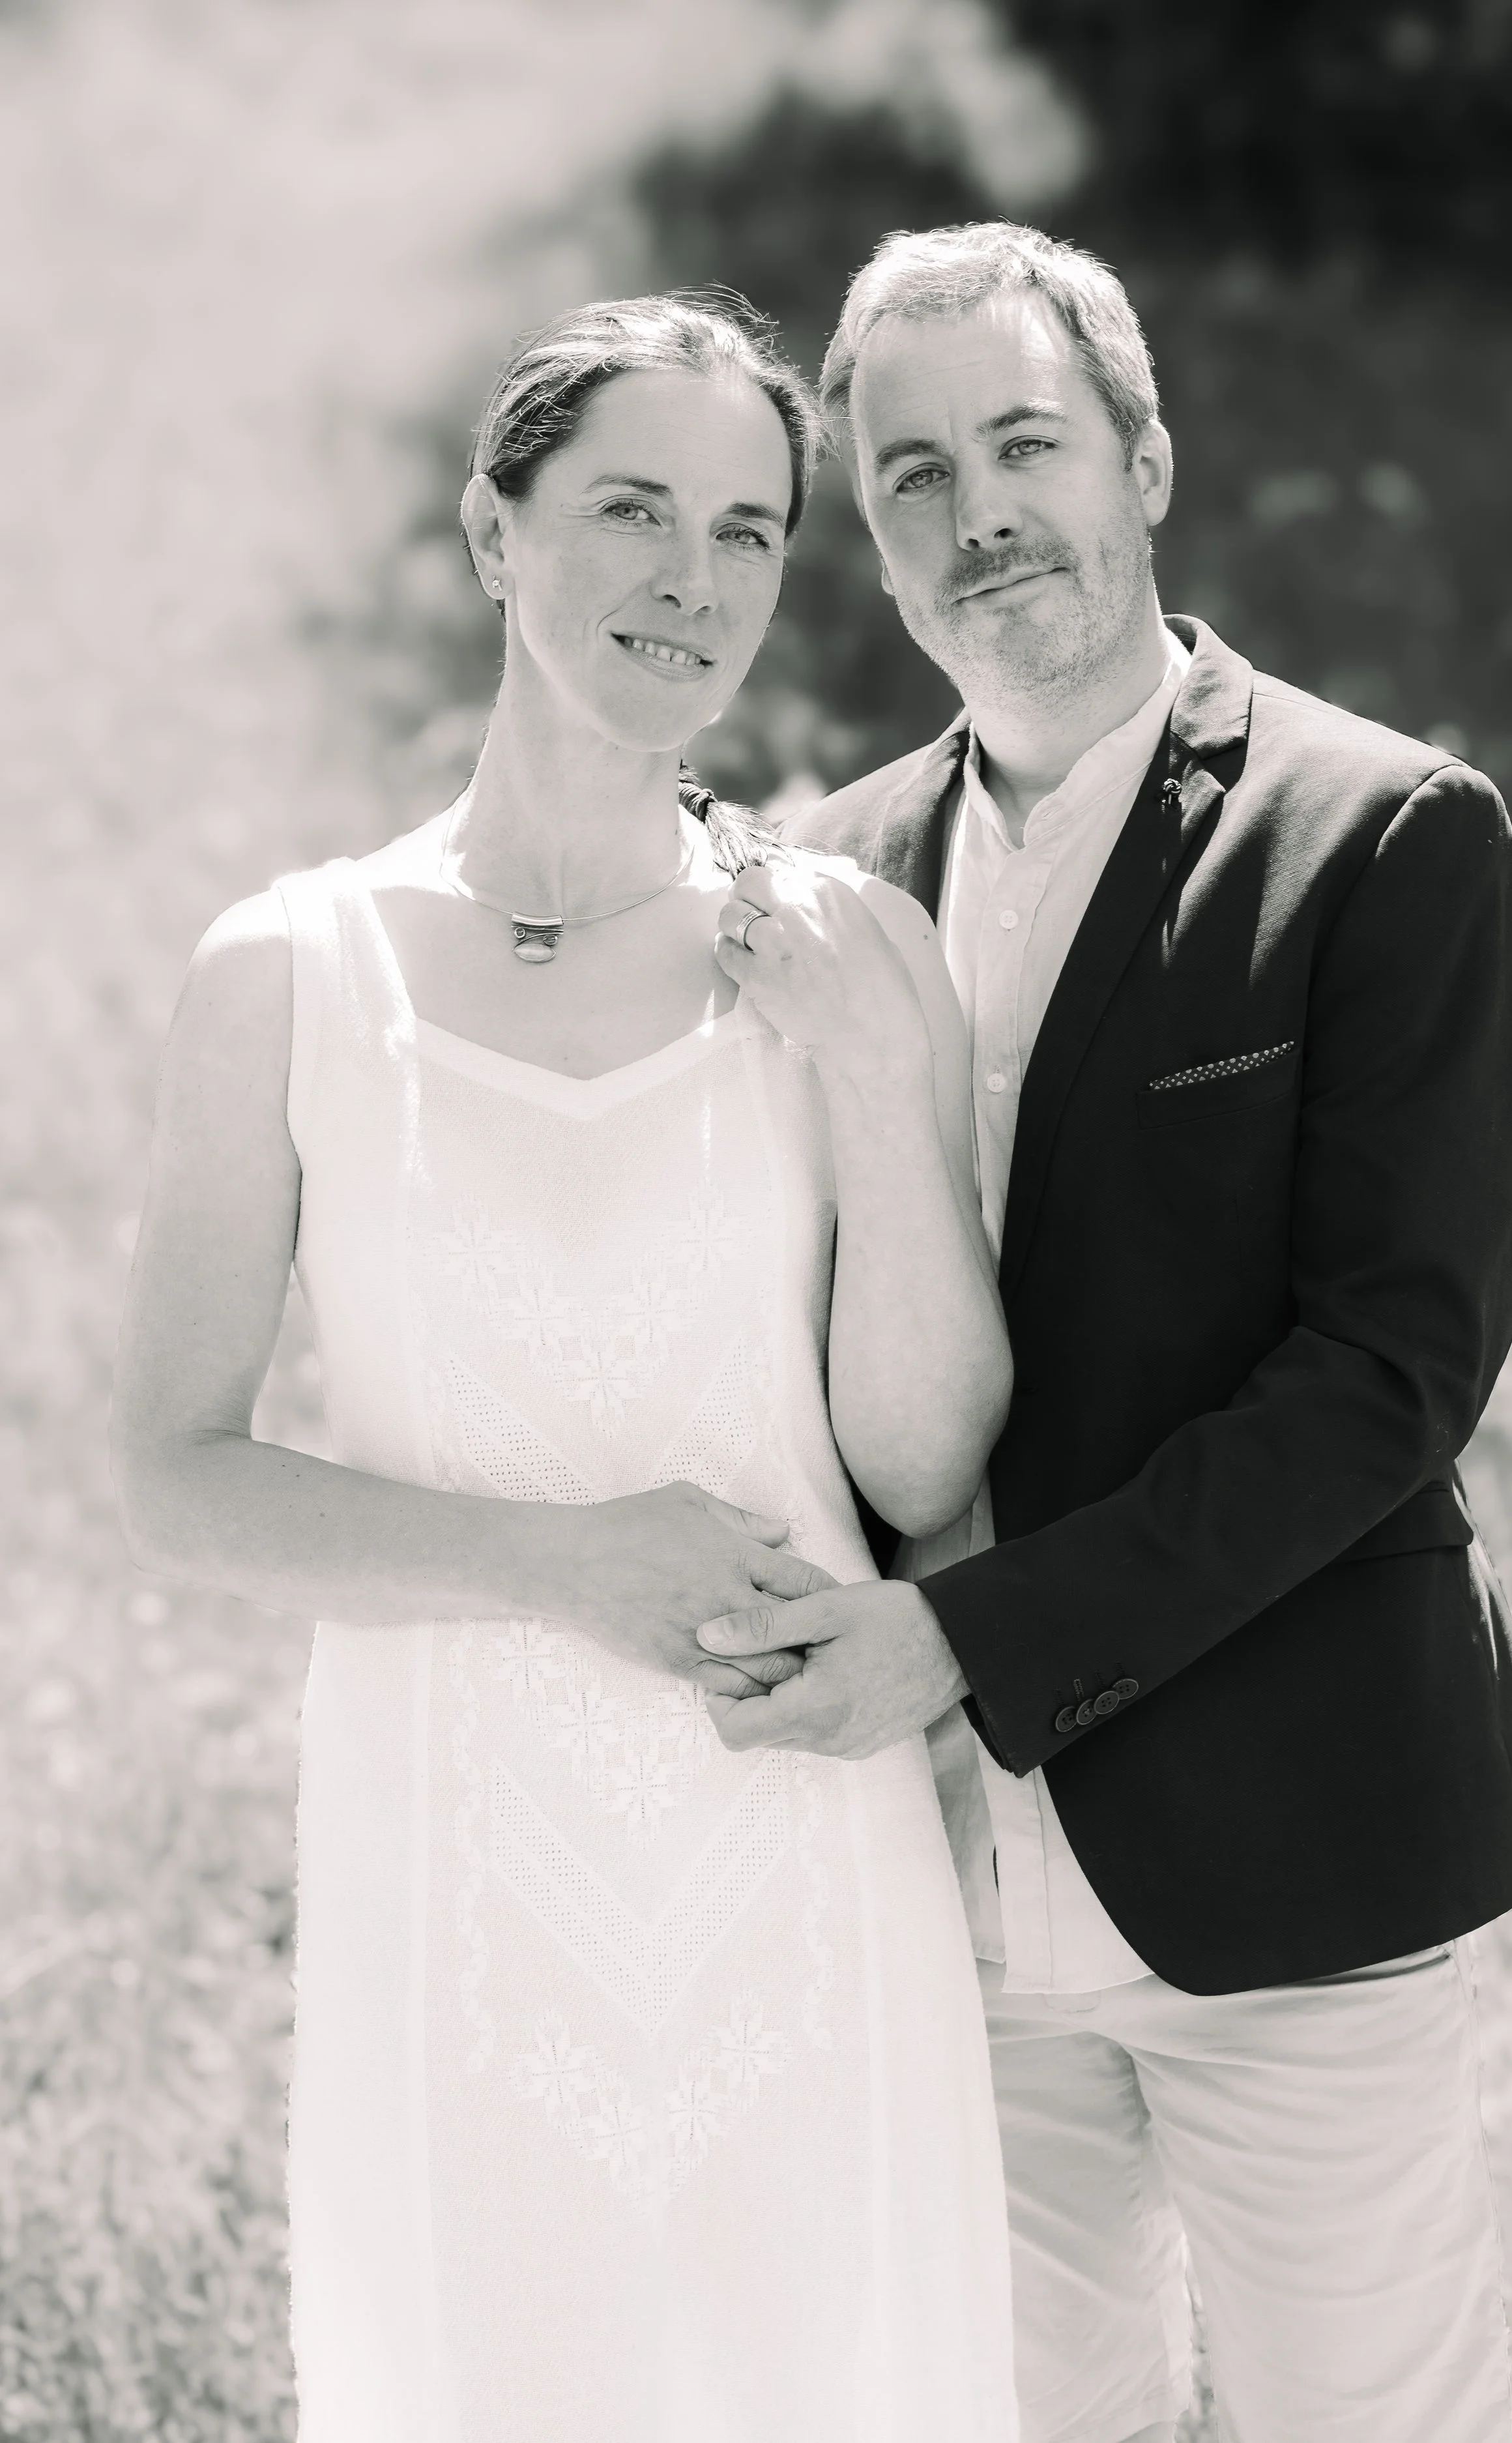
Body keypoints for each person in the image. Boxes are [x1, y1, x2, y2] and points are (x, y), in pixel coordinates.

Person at [696, 223, 1512, 2443]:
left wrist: (971, 1638)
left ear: (1144, 455)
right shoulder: (818, 883)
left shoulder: (1375, 834)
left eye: (1024, 442)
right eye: (912, 476)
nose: (978, 511)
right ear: (871, 548)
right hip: (934, 1895)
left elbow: (1386, 1378)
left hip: (1293, 1863)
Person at [109, 291, 1021, 2443]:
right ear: (491, 532)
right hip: (461, 1895)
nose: (688, 580)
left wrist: (883, 1095)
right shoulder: (294, 971)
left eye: (741, 528)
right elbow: (174, 1471)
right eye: (627, 507)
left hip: (801, 1865)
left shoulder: (849, 947)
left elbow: (920, 1458)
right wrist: (551, 1561)